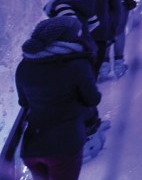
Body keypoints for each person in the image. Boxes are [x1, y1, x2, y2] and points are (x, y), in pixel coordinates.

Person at [16, 16, 101, 180]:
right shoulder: (77, 64)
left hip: (32, 147)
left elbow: (24, 102)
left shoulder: (24, 65)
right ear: (67, 37)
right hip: (64, 145)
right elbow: (92, 99)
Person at [78, 0, 120, 78]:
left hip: (85, 30)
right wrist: (114, 30)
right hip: (102, 28)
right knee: (97, 62)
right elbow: (116, 9)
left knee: (87, 62)